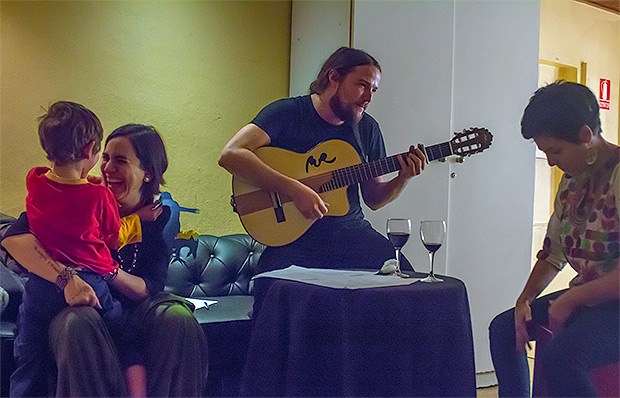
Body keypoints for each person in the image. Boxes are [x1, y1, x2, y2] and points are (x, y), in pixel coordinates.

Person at [2, 124, 207, 397]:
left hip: (134, 305)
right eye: (106, 158)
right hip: (80, 304)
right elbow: (13, 239)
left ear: (148, 173)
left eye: (120, 161)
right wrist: (67, 278)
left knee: (177, 317)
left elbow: (147, 288)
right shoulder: (79, 196)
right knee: (79, 322)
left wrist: (107, 271)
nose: (108, 168)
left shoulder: (162, 211)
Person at [219, 47, 426, 272]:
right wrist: (295, 190)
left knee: (404, 276)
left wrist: (402, 178)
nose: (368, 98)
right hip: (294, 240)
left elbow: (373, 199)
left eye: (373, 90)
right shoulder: (287, 113)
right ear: (334, 77)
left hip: (350, 234)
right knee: (275, 286)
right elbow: (231, 155)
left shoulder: (368, 128)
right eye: (361, 85)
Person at [488, 81, 619, 397]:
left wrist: (572, 298)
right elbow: (553, 252)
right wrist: (526, 299)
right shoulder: (571, 182)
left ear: (586, 136)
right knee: (505, 328)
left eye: (555, 151)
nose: (550, 161)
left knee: (563, 358)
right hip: (591, 299)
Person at [19, 101, 156, 397]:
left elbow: (50, 208)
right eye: (102, 156)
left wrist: (80, 182)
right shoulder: (99, 196)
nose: (105, 166)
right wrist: (136, 219)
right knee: (128, 337)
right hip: (90, 278)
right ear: (89, 150)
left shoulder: (35, 179)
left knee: (28, 350)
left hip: (40, 287)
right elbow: (112, 239)